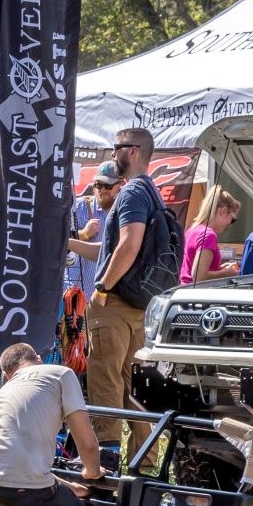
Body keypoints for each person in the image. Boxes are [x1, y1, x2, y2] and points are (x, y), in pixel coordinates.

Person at [0, 342, 106, 506]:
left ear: (7, 375)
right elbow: (87, 444)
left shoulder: (5, 391)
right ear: (38, 359)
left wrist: (71, 487)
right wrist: (92, 472)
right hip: (21, 487)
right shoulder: (61, 373)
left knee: (22, 494)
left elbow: (16, 459)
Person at [87, 126, 160, 454]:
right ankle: (144, 462)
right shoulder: (152, 192)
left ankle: (107, 458)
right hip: (140, 303)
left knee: (106, 378)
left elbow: (129, 244)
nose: (112, 153)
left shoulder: (130, 192)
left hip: (116, 302)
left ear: (133, 151)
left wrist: (102, 287)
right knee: (136, 387)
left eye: (116, 147)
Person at [66, 161, 123, 301]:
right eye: (98, 184)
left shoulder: (124, 214)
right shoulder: (80, 207)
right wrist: (84, 233)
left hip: (104, 298)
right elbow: (56, 238)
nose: (102, 190)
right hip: (72, 294)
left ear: (120, 185)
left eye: (108, 186)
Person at [181, 185, 241, 284]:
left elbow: (191, 269)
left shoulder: (191, 230)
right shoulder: (209, 235)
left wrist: (220, 269)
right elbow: (198, 277)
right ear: (223, 211)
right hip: (199, 295)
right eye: (233, 219)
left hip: (184, 292)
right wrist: (225, 273)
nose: (230, 224)